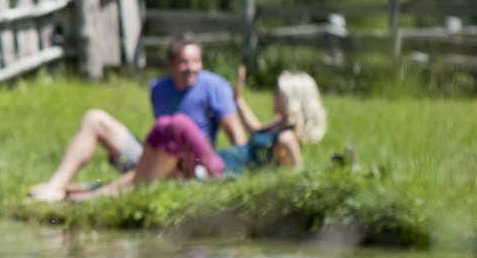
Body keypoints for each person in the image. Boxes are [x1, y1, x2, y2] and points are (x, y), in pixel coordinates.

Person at [28, 36, 247, 202]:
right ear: (170, 64)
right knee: (94, 118)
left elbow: (236, 136)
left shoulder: (214, 86)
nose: (191, 68)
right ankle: (56, 186)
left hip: (189, 165)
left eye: (196, 61)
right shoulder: (159, 88)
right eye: (184, 62)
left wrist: (239, 173)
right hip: (155, 155)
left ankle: (102, 192)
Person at [73, 67, 326, 198]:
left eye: (279, 93)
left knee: (178, 126)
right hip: (217, 163)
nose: (274, 96)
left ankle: (100, 193)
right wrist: (238, 100)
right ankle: (89, 191)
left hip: (221, 173)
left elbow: (296, 179)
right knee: (164, 156)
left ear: (293, 99)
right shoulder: (276, 127)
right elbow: (254, 129)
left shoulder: (286, 138)